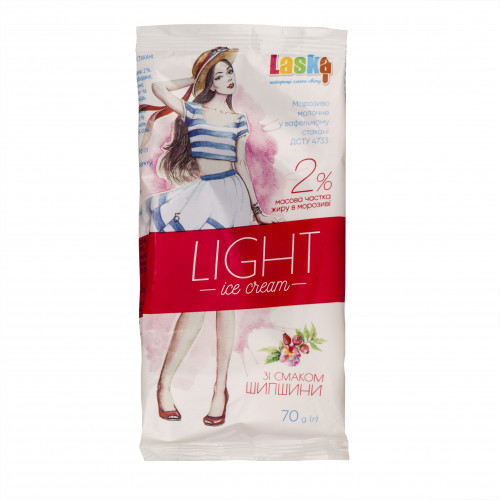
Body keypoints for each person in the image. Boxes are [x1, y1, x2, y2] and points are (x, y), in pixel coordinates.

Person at [138, 46, 278, 426]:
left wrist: (256, 210)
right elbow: (158, 88)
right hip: (202, 201)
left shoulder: (239, 120)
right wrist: (197, 76)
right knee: (197, 299)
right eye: (219, 75)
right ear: (209, 82)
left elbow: (242, 165)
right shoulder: (194, 111)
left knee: (225, 299)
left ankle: (220, 389)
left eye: (229, 72)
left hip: (232, 200)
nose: (228, 79)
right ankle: (164, 384)